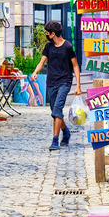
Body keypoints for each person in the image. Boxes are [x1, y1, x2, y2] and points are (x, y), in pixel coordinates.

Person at [31, 21, 81, 151]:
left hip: (64, 81)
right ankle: (66, 132)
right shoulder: (48, 46)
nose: (46, 35)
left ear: (53, 34)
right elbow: (42, 62)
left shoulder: (68, 47)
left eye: (47, 33)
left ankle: (55, 140)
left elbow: (75, 66)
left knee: (57, 109)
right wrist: (35, 72)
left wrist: (78, 86)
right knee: (55, 112)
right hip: (51, 82)